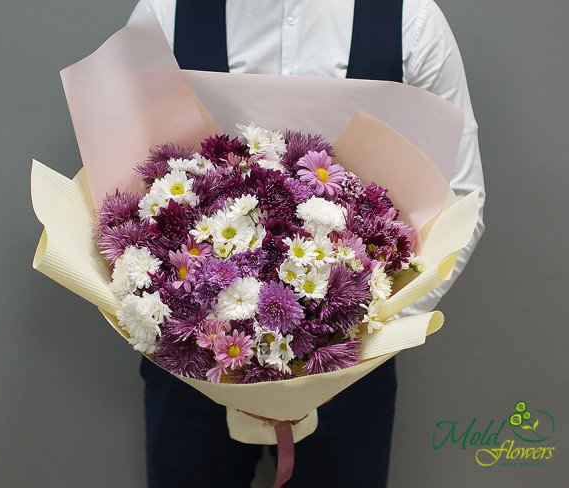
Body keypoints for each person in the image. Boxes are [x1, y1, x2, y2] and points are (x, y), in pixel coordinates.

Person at [127, 1, 486, 487]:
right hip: (189, 361)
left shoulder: (410, 19)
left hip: (349, 369)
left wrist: (361, 336)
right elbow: (127, 180)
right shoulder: (165, 12)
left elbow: (460, 199)